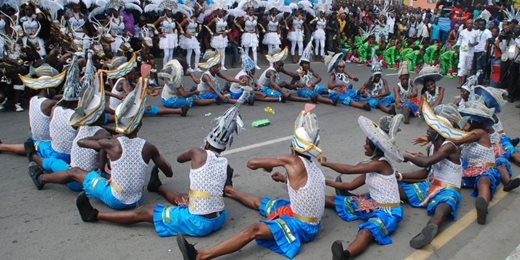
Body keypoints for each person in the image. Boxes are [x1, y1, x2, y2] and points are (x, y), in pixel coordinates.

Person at [75, 91, 250, 239]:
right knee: (183, 198)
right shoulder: (225, 163)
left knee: (145, 212)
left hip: (198, 223)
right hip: (220, 218)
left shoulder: (197, 152)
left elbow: (181, 159)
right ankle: (157, 187)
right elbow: (222, 185)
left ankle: (95, 215)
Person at [176, 104, 325, 260]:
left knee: (253, 230)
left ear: (294, 146)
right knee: (265, 203)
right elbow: (306, 189)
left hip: (303, 226)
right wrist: (282, 177)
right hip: (304, 217)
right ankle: (230, 191)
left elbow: (252, 163)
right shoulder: (313, 168)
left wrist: (268, 165)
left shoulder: (292, 161)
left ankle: (200, 255)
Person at [30, 77, 171, 210]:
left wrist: (102, 142)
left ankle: (41, 178)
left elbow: (81, 142)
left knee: (73, 171)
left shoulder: (108, 142)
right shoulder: (148, 147)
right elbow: (168, 172)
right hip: (136, 199)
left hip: (115, 199)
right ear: (139, 125)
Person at [323, 115, 404, 259]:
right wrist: (324, 181)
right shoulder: (371, 165)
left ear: (374, 148)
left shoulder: (381, 164)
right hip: (372, 204)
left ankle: (344, 255)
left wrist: (326, 163)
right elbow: (351, 185)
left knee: (366, 231)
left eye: (367, 144)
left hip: (388, 211)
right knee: (331, 200)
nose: (364, 145)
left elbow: (349, 170)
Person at [398, 102, 465, 249]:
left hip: (449, 189)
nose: (427, 131)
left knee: (442, 209)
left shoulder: (448, 146)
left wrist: (407, 156)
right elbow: (425, 171)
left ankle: (427, 232)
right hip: (432, 186)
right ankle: (358, 199)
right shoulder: (432, 147)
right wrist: (400, 176)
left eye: (431, 129)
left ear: (440, 132)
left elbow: (425, 162)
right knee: (396, 190)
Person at [456, 100, 501, 225]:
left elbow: (456, 141)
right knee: (452, 182)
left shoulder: (480, 133)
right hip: (469, 173)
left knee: (484, 182)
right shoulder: (467, 136)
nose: (466, 124)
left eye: (468, 121)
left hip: (486, 170)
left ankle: (482, 208)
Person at [456, 19, 478, 86]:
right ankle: (460, 83)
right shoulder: (462, 32)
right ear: (466, 24)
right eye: (468, 23)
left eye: (471, 23)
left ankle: (465, 82)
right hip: (463, 51)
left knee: (468, 68)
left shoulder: (475, 32)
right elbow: (459, 41)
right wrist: (456, 51)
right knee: (461, 66)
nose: (470, 25)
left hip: (470, 52)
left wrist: (473, 44)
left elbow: (477, 41)